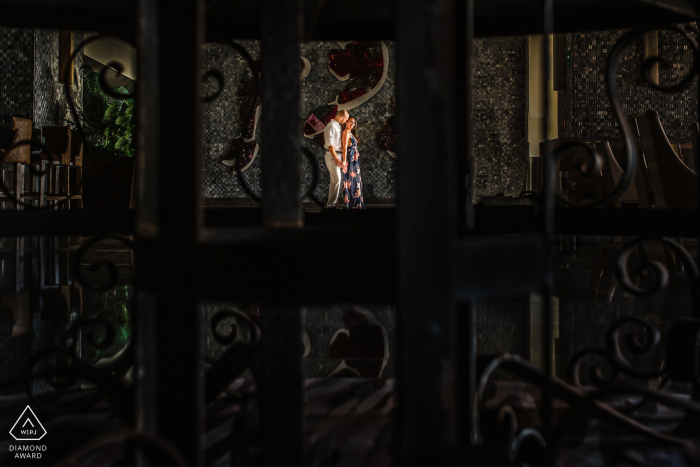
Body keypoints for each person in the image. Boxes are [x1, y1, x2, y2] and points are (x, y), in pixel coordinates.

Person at [324, 109, 349, 207]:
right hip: (332, 156)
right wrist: (336, 158)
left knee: (336, 180)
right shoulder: (331, 126)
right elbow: (330, 145)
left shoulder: (338, 126)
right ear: (342, 117)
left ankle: (334, 203)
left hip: (337, 155)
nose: (345, 122)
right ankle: (331, 205)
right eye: (345, 120)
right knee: (337, 179)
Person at [341, 116, 365, 209]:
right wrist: (344, 161)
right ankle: (352, 205)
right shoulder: (346, 132)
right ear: (346, 122)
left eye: (354, 122)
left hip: (355, 162)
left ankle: (357, 204)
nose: (353, 124)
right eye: (351, 121)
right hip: (350, 161)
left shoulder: (350, 132)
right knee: (351, 182)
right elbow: (344, 148)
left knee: (356, 182)